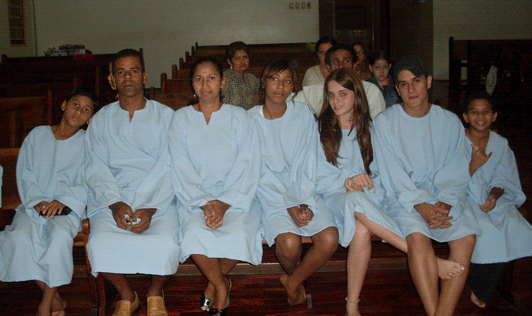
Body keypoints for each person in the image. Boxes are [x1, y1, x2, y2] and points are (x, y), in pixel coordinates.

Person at [316, 68, 465, 316]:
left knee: (363, 228)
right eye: (331, 95)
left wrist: (366, 181)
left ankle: (351, 304)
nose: (336, 101)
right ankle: (432, 262)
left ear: (357, 96)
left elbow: (381, 171)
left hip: (367, 199)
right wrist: (347, 181)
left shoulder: (371, 129)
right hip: (332, 197)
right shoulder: (320, 130)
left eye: (343, 94)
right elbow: (316, 176)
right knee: (354, 200)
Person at [372, 55, 480, 316]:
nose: (411, 90)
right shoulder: (385, 122)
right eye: (403, 84)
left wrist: (446, 202)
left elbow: (456, 169)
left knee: (465, 237)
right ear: (396, 89)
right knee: (418, 239)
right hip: (402, 197)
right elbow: (391, 174)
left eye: (416, 81)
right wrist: (421, 205)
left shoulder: (449, 121)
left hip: (443, 197)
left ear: (429, 82)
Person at [0, 87, 97, 316]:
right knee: (18, 239)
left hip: (67, 209)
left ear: (89, 119)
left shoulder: (88, 143)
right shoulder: (38, 135)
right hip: (33, 205)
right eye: (76, 104)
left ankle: (45, 303)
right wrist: (35, 200)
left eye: (86, 110)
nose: (79, 112)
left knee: (58, 239)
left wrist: (63, 200)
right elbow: (25, 173)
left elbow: (90, 180)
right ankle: (57, 300)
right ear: (64, 104)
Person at [84, 48, 180, 316]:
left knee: (168, 242)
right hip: (112, 197)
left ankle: (154, 291)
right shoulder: (101, 120)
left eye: (134, 71)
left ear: (144, 77)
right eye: (120, 72)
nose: (127, 77)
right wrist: (114, 203)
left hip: (158, 198)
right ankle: (127, 294)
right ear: (112, 80)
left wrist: (150, 207)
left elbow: (171, 165)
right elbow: (94, 167)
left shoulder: (166, 117)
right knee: (97, 244)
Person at [169, 58, 262, 316]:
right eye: (199, 78)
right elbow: (180, 165)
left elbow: (248, 162)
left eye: (212, 78)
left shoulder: (240, 117)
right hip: (194, 199)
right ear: (192, 84)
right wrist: (204, 203)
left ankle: (211, 286)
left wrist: (223, 203)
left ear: (222, 82)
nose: (205, 84)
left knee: (241, 234)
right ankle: (221, 286)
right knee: (192, 235)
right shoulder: (181, 118)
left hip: (237, 197)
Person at [248, 60, 339, 306]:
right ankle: (296, 277)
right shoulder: (249, 121)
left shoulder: (302, 114)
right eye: (274, 79)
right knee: (289, 245)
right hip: (270, 196)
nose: (280, 86)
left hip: (304, 191)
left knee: (329, 238)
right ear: (264, 82)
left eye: (287, 81)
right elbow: (256, 172)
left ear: (293, 87)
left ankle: (293, 281)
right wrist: (286, 204)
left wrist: (303, 200)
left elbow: (309, 161)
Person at [462, 91, 532, 308]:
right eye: (474, 112)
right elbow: (448, 179)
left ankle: (485, 283)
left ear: (494, 116)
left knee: (516, 225)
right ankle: (479, 286)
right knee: (485, 229)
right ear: (466, 117)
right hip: (463, 197)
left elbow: (505, 178)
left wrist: (493, 196)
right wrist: (472, 166)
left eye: (486, 112)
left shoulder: (500, 144)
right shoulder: (456, 140)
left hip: (492, 197)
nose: (480, 117)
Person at [292, 44, 385, 118]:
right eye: (335, 62)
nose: (340, 66)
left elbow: (380, 125)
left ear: (354, 65)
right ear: (328, 67)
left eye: (346, 61)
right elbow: (290, 103)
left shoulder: (370, 90)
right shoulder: (317, 91)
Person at [222, 41, 260, 110]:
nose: (242, 61)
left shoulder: (251, 78)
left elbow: (262, 92)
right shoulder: (224, 79)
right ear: (229, 62)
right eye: (237, 58)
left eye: (245, 57)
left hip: (250, 117)